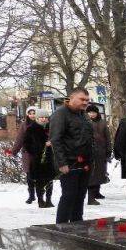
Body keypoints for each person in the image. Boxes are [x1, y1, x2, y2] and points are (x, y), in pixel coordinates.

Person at [49, 87, 94, 224]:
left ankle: (77, 224)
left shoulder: (83, 114)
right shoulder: (60, 114)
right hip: (69, 162)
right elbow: (56, 139)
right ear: (72, 98)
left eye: (87, 100)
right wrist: (62, 163)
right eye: (82, 99)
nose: (85, 102)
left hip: (85, 162)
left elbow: (88, 137)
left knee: (80, 196)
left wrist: (91, 160)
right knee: (69, 195)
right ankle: (61, 226)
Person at [22, 109, 55, 208]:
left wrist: (52, 145)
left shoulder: (51, 128)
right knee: (40, 181)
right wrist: (37, 150)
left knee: (50, 180)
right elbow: (26, 144)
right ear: (37, 118)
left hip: (50, 158)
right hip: (37, 159)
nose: (44, 119)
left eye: (45, 117)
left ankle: (49, 200)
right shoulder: (31, 128)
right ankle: (40, 200)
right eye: (41, 117)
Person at [84, 103, 111, 205]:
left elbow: (107, 137)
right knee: (92, 174)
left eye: (94, 112)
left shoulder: (102, 122)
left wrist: (108, 150)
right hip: (90, 152)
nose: (92, 114)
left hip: (101, 151)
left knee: (100, 172)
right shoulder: (85, 122)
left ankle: (97, 192)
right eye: (90, 112)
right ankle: (91, 196)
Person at [10, 106, 37, 204]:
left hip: (39, 153)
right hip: (28, 154)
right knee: (29, 176)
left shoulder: (42, 123)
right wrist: (14, 151)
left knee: (40, 175)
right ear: (27, 114)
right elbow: (19, 139)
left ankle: (41, 196)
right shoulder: (24, 125)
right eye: (30, 113)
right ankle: (31, 195)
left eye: (34, 113)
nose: (33, 115)